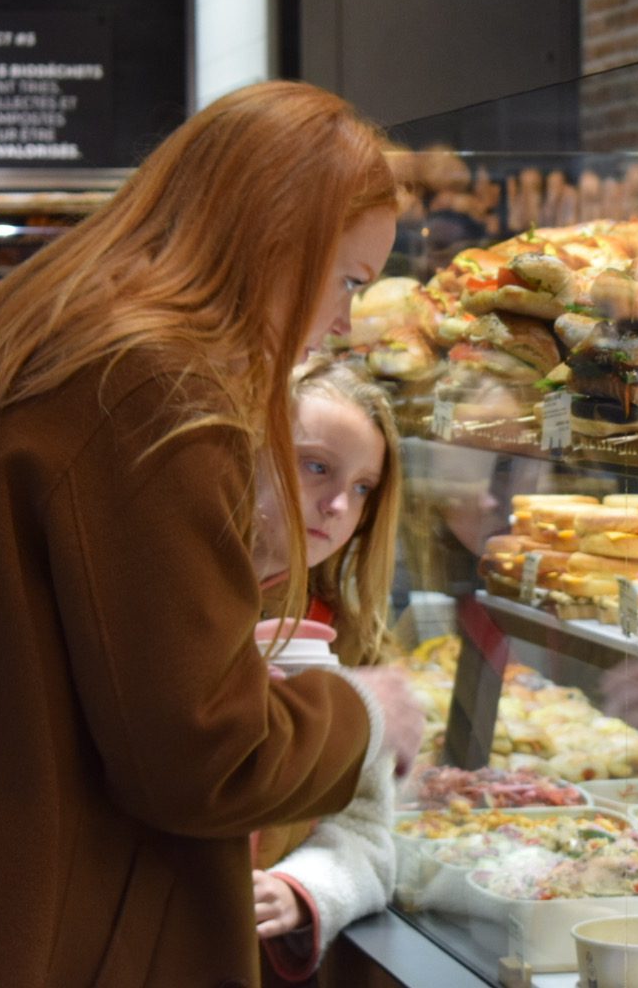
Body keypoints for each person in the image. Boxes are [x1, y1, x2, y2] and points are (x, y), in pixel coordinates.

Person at [0, 81, 425, 988]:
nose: (342, 323)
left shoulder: (52, 326)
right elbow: (201, 756)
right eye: (349, 282)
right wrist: (365, 712)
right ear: (278, 239)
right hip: (15, 910)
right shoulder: (158, 382)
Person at [247, 357, 404, 986]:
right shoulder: (173, 605)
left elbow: (368, 831)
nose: (338, 504)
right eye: (316, 466)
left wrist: (301, 887)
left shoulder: (349, 639)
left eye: (364, 487)